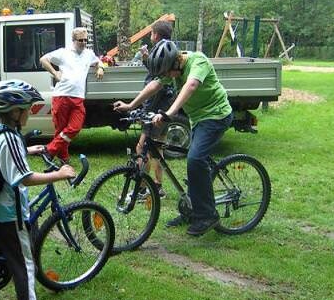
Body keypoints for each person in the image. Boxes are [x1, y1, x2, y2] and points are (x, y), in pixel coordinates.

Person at [0, 79, 75, 300]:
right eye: (27, 108)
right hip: (10, 213)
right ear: (15, 112)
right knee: (25, 267)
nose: (29, 112)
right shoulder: (9, 138)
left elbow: (5, 155)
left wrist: (28, 148)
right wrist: (59, 174)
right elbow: (23, 178)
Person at [113, 40, 233, 237]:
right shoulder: (171, 69)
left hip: (216, 116)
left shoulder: (198, 61)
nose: (168, 77)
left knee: (195, 160)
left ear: (177, 61)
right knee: (194, 163)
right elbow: (155, 85)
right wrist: (131, 105)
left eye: (168, 72)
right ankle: (191, 211)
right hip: (197, 119)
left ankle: (207, 215)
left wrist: (170, 112)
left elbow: (191, 85)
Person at [39, 27, 104, 162]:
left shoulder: (88, 54)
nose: (84, 43)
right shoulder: (64, 52)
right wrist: (55, 73)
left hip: (78, 97)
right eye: (81, 40)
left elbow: (98, 61)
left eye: (85, 40)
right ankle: (64, 160)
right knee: (61, 130)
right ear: (73, 40)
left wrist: (101, 68)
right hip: (61, 96)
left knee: (75, 127)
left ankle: (49, 150)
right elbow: (43, 59)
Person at [134, 20, 176, 198]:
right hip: (164, 107)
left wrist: (143, 110)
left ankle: (143, 189)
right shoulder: (168, 51)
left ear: (156, 35)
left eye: (151, 33)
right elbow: (156, 72)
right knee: (158, 149)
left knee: (141, 148)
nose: (151, 36)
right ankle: (158, 188)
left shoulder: (160, 51)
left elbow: (156, 83)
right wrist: (146, 58)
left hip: (156, 108)